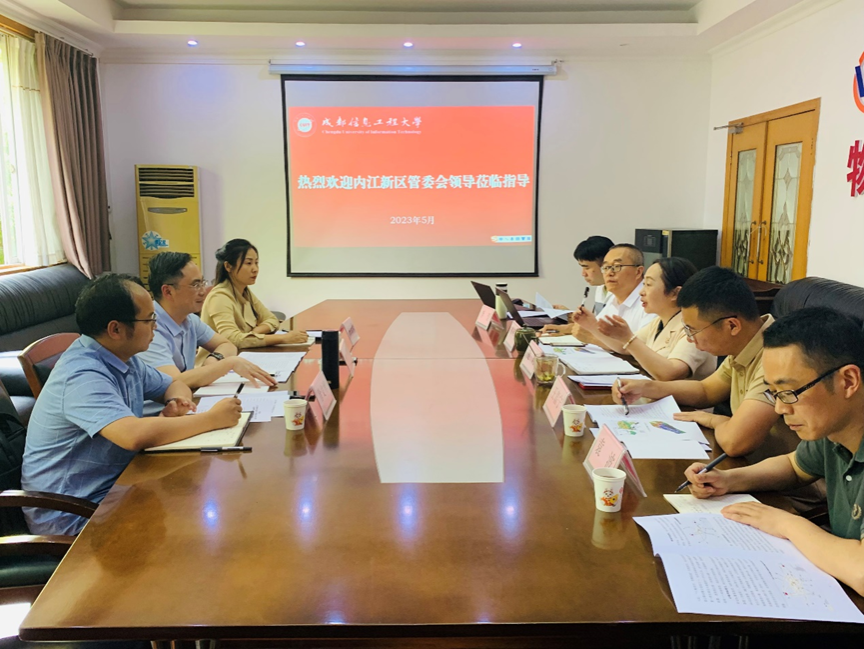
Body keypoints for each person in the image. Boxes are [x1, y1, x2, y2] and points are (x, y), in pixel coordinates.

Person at [21, 273, 242, 536]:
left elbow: (174, 384)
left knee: (204, 502)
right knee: (198, 525)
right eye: (149, 319)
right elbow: (132, 436)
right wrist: (212, 419)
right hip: (75, 514)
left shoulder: (123, 357)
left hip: (119, 485)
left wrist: (176, 401)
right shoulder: (81, 374)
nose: (156, 327)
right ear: (115, 329)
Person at [684, 308, 864, 596]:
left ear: (848, 381)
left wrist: (785, 523)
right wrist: (729, 480)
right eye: (773, 393)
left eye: (789, 392)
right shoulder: (834, 430)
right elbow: (795, 466)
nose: (780, 408)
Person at [613, 267, 822, 509]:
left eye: (693, 330)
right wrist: (649, 387)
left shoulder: (776, 356)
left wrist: (715, 420)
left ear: (732, 325)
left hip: (788, 496)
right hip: (749, 474)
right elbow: (706, 390)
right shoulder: (746, 344)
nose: (690, 339)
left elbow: (736, 442)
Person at [137, 251, 275, 390]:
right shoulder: (148, 327)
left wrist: (214, 359)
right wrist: (228, 364)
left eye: (202, 282)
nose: (203, 291)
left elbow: (227, 345)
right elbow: (173, 381)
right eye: (195, 285)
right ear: (168, 291)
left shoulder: (189, 319)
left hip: (186, 397)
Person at [591, 257, 715, 381]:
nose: (641, 292)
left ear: (675, 293)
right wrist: (590, 324)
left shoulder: (696, 327)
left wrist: (628, 338)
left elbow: (671, 373)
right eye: (643, 284)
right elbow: (623, 347)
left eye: (648, 285)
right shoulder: (658, 322)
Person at [201, 239, 307, 348]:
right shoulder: (219, 297)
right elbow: (232, 339)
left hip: (241, 354)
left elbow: (272, 320)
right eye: (248, 263)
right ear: (228, 266)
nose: (255, 269)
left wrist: (254, 333)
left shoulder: (245, 292)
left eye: (256, 263)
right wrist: (283, 338)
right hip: (217, 357)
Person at [544, 243, 655, 346]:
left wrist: (592, 338)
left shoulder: (651, 302)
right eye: (606, 267)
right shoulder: (614, 299)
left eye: (617, 266)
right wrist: (569, 328)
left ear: (638, 272)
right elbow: (598, 331)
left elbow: (641, 349)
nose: (609, 273)